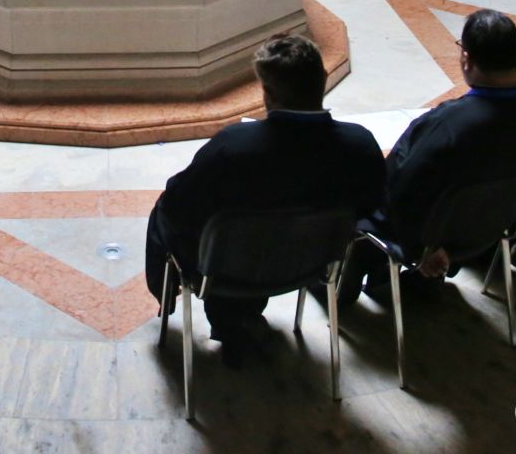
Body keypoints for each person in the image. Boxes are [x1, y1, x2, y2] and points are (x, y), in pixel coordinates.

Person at [145, 34, 384, 363]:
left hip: (227, 269)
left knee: (164, 211)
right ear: (323, 80)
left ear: (267, 94)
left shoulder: (235, 146)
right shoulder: (360, 145)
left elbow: (180, 206)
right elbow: (371, 206)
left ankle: (169, 297)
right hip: (311, 264)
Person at [338, 11, 516, 305]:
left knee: (353, 203)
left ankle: (340, 290)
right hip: (491, 229)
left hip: (427, 239)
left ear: (467, 59)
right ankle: (421, 280)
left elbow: (398, 193)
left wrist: (424, 246)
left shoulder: (446, 125)